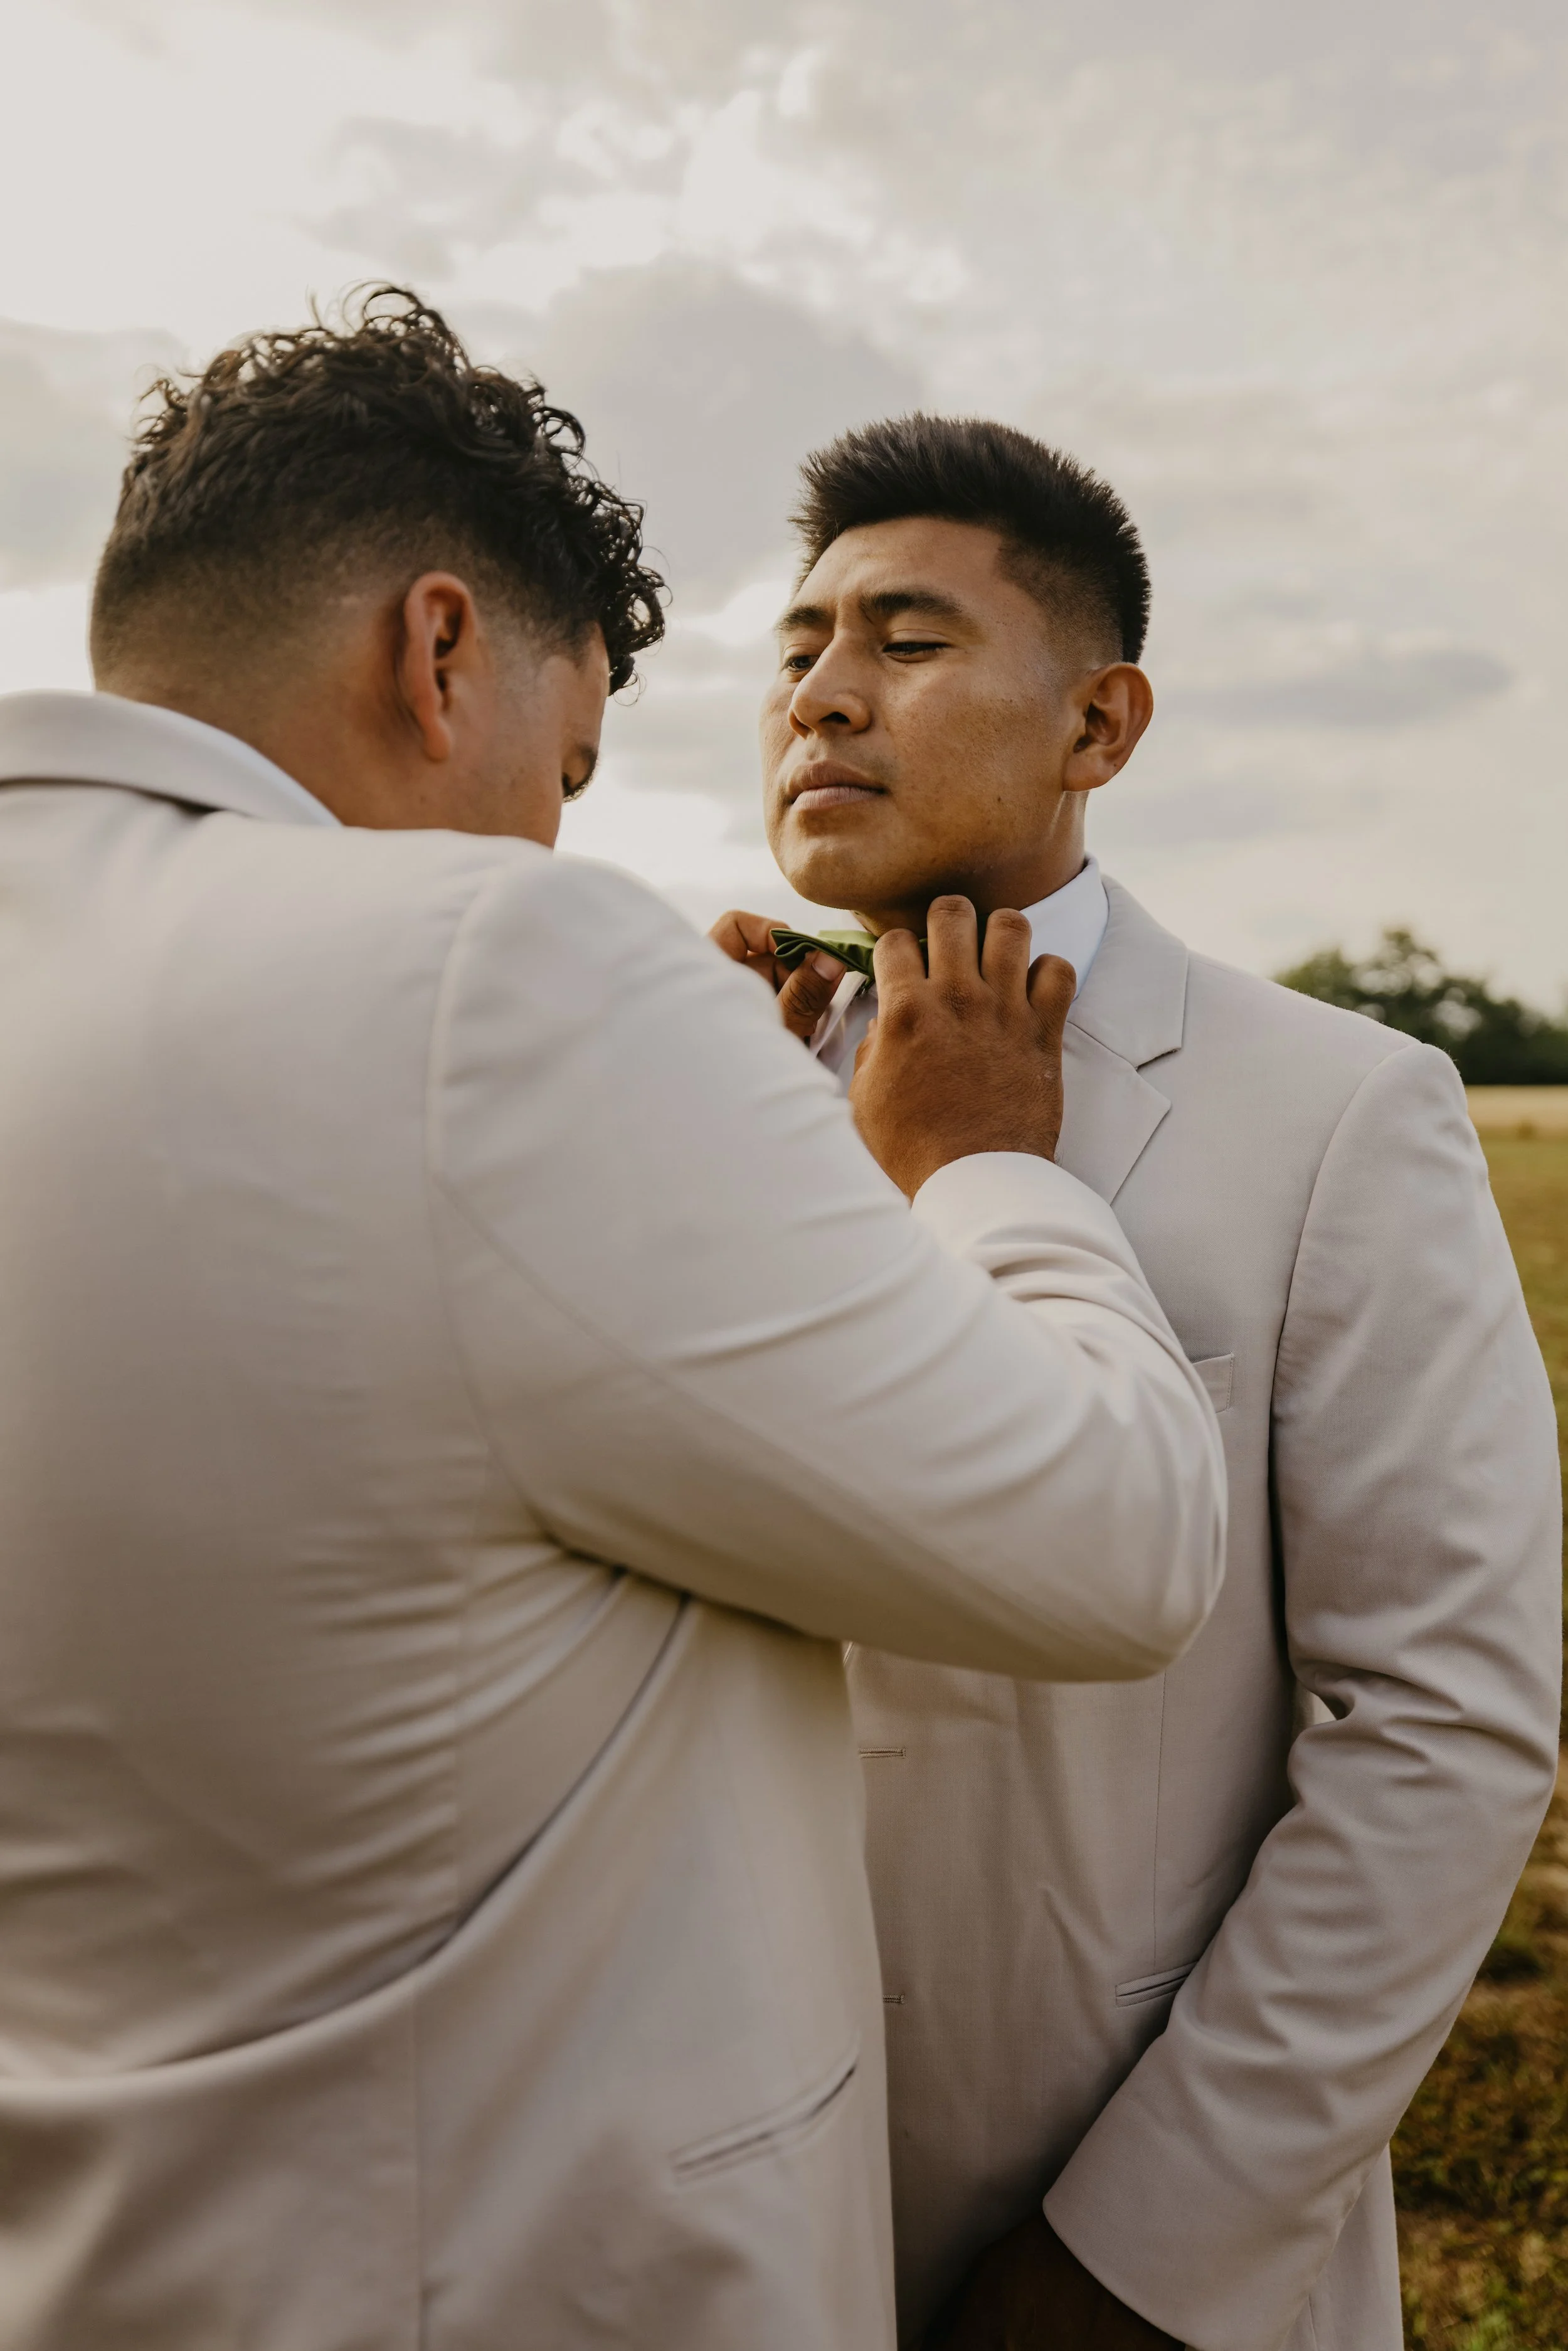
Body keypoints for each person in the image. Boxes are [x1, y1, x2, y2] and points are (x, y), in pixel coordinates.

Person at [0, 305, 1226, 2351]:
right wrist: (978, 1171)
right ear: (441, 651)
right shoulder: (496, 974)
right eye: (563, 767)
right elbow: (1115, 1538)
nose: (555, 834)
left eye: (903, 645)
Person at [714, 414, 1562, 2351]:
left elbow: (1439, 1723)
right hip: (694, 2215)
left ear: (1097, 729)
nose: (823, 695)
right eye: (796, 648)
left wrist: (1139, 2255)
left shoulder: (1335, 1109)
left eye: (906, 642)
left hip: (1093, 2209)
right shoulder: (696, 1077)